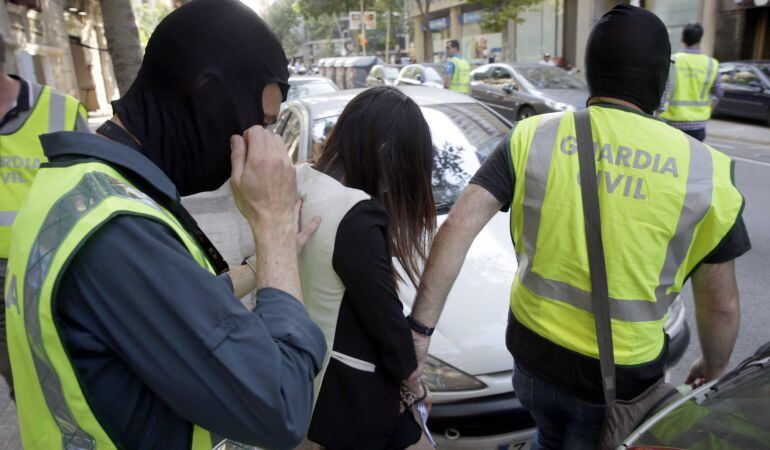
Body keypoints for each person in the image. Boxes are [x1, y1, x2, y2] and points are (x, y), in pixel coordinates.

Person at [407, 5, 750, 450]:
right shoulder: (707, 173)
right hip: (621, 381)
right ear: (660, 77)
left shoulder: (531, 136)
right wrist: (714, 363)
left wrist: (419, 332)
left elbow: (456, 228)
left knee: (548, 435)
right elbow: (720, 305)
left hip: (532, 358)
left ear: (591, 72)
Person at [3, 1, 326, 449]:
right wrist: (273, 225)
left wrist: (258, 267)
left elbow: (164, 313)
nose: (265, 145)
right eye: (263, 124)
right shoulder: (116, 232)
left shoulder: (77, 188)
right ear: (210, 98)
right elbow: (283, 408)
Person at [297, 86, 435, 450]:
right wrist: (417, 390)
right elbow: (387, 324)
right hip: (352, 405)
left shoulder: (302, 182)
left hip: (304, 386)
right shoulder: (355, 213)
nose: (395, 187)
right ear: (387, 155)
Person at [0, 31, 88, 399]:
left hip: (43, 275)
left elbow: (91, 195)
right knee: (26, 390)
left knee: (56, 388)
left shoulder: (60, 110)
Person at [659, 23, 722, 142]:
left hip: (672, 122)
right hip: (698, 125)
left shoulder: (672, 60)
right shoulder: (711, 64)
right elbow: (718, 93)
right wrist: (708, 111)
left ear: (682, 38)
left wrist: (658, 116)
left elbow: (662, 92)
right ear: (699, 39)